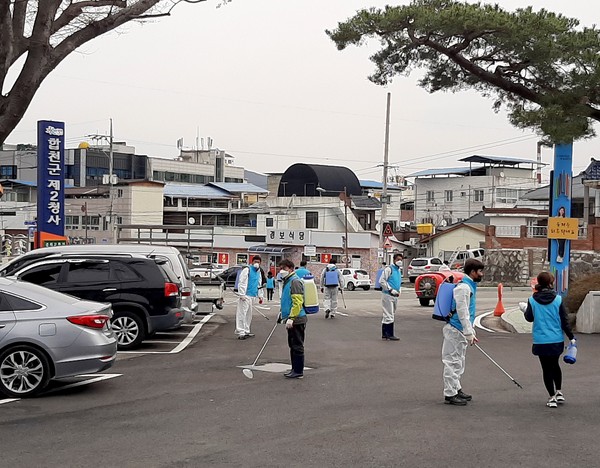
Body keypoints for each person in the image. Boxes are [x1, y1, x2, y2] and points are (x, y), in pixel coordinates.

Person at [521, 271, 575, 408]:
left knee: (546, 369)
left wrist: (524, 309)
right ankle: (559, 391)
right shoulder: (558, 299)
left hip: (540, 340)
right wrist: (571, 337)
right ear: (551, 283)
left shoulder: (532, 300)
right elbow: (564, 320)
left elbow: (529, 318)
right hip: (556, 339)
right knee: (555, 365)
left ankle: (551, 397)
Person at [441, 258, 484, 406]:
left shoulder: (469, 286)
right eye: (480, 271)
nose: (482, 274)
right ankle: (450, 393)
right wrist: (468, 331)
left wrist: (470, 331)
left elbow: (468, 312)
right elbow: (462, 311)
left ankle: (456, 388)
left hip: (459, 330)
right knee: (452, 361)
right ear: (472, 272)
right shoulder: (464, 288)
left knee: (459, 361)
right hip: (455, 329)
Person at [278, 259, 307, 379]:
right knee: (292, 345)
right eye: (281, 268)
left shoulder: (294, 281)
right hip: (291, 318)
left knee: (297, 345)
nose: (281, 271)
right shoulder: (288, 280)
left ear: (290, 268)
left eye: (284, 269)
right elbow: (287, 301)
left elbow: (297, 302)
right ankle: (294, 368)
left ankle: (298, 371)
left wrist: (291, 318)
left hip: (297, 319)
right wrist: (282, 314)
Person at [235, 255, 266, 340]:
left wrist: (260, 296)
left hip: (253, 295)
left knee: (249, 314)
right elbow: (242, 282)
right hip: (245, 295)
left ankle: (246, 330)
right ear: (252, 262)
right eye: (255, 262)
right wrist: (241, 294)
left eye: (258, 262)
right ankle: (241, 331)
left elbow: (259, 284)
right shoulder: (247, 270)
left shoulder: (258, 272)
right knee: (242, 313)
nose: (256, 263)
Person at [378, 255, 402, 340]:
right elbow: (382, 281)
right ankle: (389, 334)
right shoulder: (389, 269)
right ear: (394, 260)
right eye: (398, 259)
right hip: (388, 294)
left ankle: (385, 333)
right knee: (389, 314)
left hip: (395, 295)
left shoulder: (398, 270)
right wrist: (390, 289)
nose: (400, 261)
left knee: (389, 314)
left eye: (401, 260)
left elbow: (398, 282)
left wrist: (399, 291)